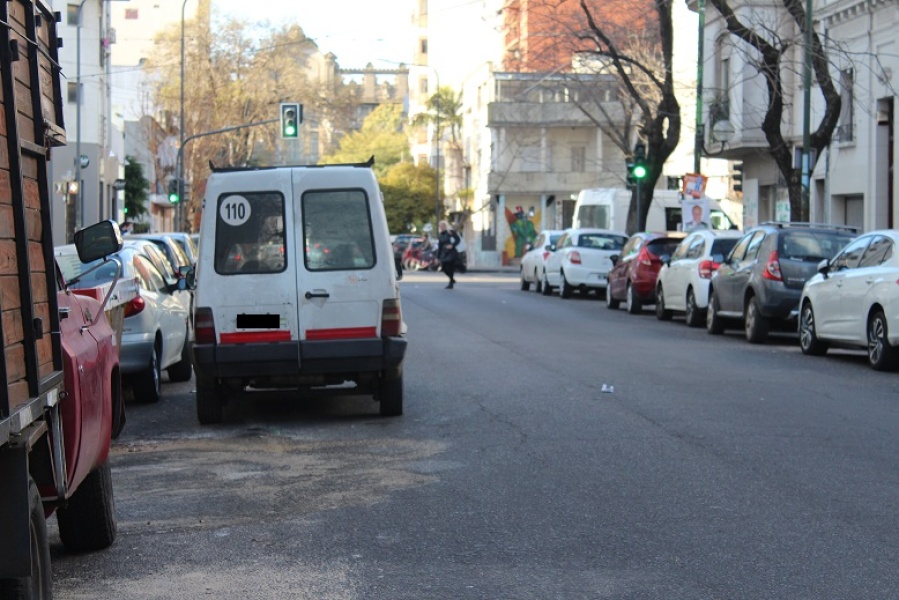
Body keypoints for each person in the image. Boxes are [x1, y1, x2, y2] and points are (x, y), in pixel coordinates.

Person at [437, 220, 461, 289]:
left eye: (443, 226)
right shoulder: (441, 235)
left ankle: (451, 283)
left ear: (446, 226)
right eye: (440, 226)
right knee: (444, 267)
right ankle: (452, 279)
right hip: (444, 253)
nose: (442, 227)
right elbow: (440, 246)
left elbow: (458, 239)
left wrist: (452, 245)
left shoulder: (450, 232)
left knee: (451, 267)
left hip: (452, 253)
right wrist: (437, 257)